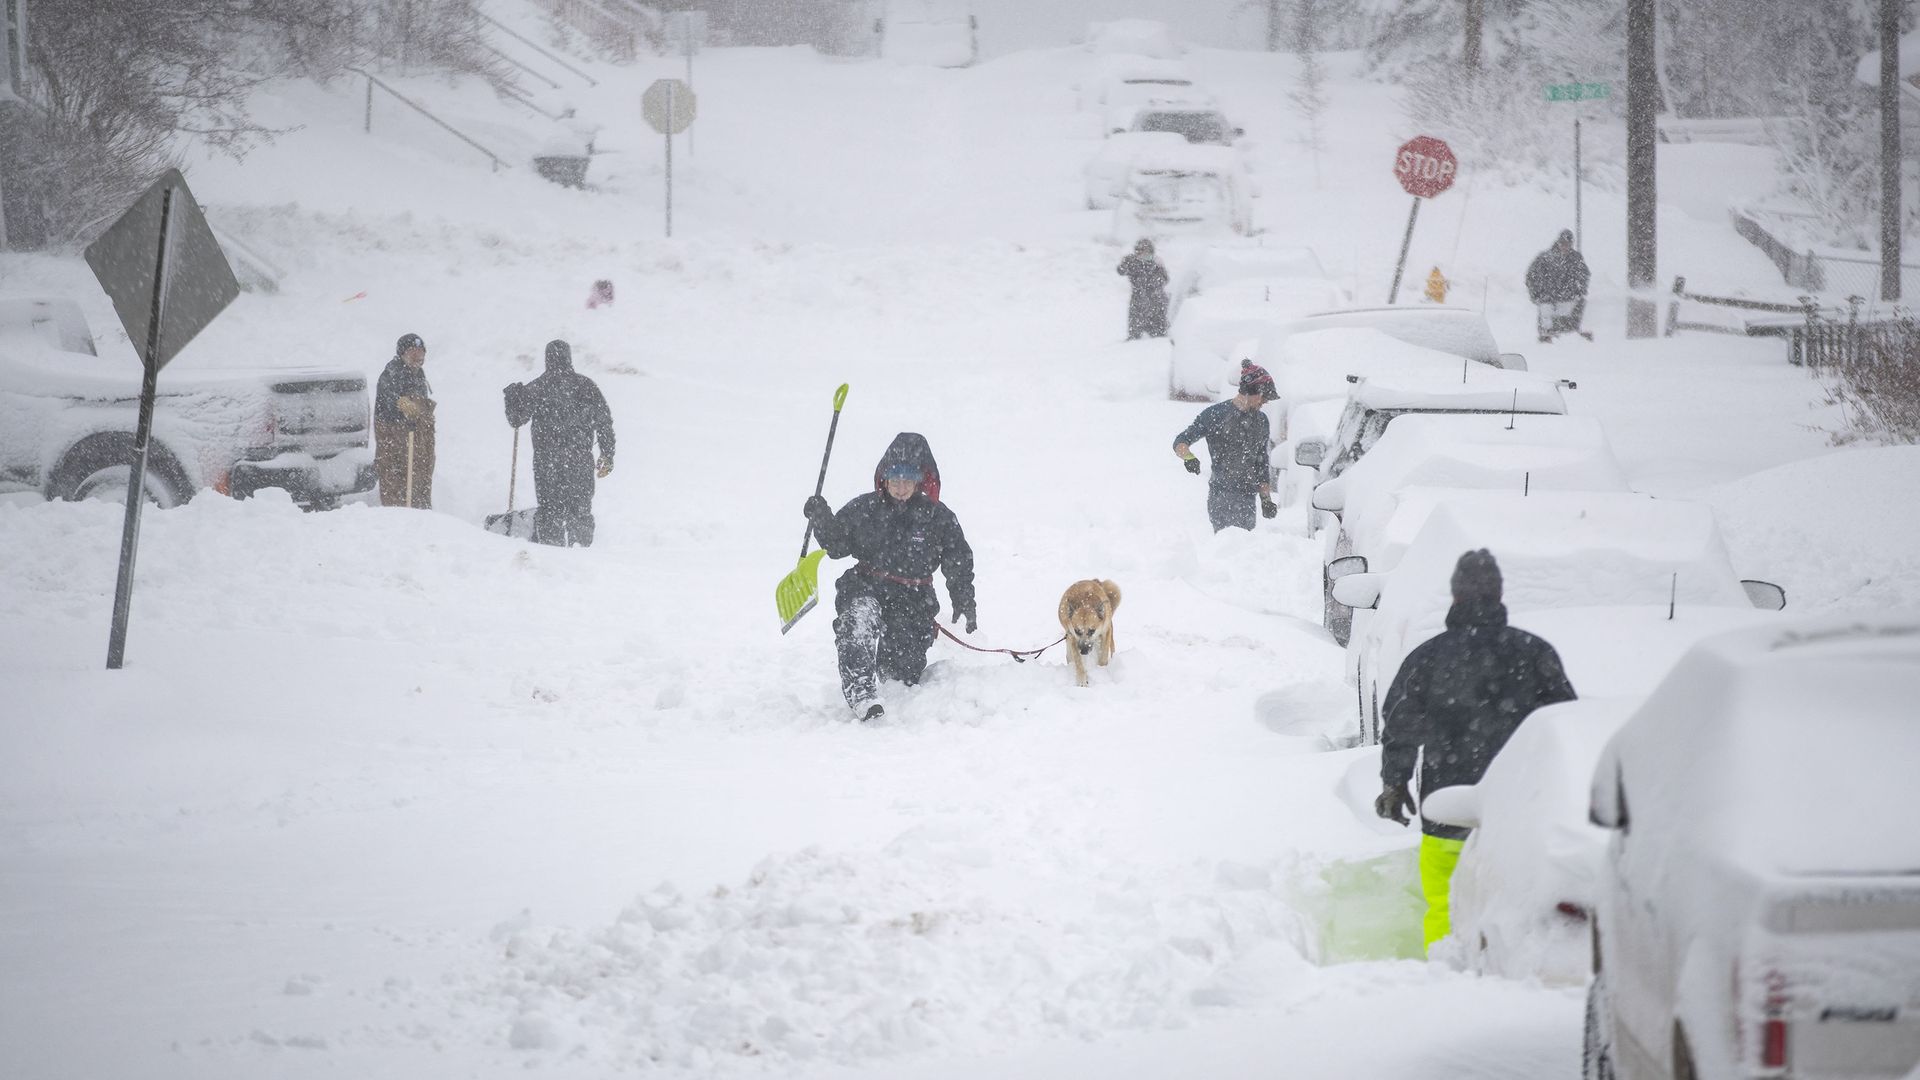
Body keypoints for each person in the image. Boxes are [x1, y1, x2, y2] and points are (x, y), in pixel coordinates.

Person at [1374, 549, 1578, 952]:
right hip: (1518, 819)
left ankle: (1445, 980)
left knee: (1444, 909)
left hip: (1446, 812)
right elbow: (1566, 727)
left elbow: (1400, 724)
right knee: (1516, 916)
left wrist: (1395, 783)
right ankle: (1511, 987)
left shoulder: (1428, 659)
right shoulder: (1534, 654)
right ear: (1500, 596)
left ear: (1455, 598)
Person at [802, 433, 976, 721]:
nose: (900, 487)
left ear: (921, 480)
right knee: (859, 619)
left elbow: (958, 560)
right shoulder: (866, 508)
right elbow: (836, 546)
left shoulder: (938, 517)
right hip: (867, 586)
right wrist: (821, 517)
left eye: (908, 480)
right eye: (894, 479)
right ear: (883, 478)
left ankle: (884, 674)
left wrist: (964, 598)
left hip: (913, 600)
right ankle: (862, 692)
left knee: (902, 676)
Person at [503, 340, 615, 548]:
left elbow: (516, 419)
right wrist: (607, 454)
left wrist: (512, 398)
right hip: (579, 461)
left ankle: (551, 552)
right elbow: (604, 422)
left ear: (547, 359)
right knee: (580, 510)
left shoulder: (538, 386)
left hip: (548, 462)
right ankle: (581, 549)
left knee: (550, 510)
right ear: (569, 358)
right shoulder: (586, 386)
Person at [1172, 360, 1278, 532]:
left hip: (1247, 499)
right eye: (1263, 397)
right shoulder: (1215, 415)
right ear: (1252, 392)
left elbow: (1261, 462)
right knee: (1226, 549)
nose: (1264, 402)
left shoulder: (1261, 421)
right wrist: (1188, 458)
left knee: (1245, 550)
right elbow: (1181, 440)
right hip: (1221, 497)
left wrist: (1265, 499)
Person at [374, 332, 435, 509]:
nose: (418, 357)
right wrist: (401, 404)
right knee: (395, 473)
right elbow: (389, 397)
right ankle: (397, 513)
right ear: (402, 353)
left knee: (419, 472)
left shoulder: (418, 374)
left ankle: (420, 510)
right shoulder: (393, 371)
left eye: (421, 352)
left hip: (415, 434)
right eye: (413, 352)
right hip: (393, 434)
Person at [1525, 229, 1592, 343]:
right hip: (1546, 297)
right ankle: (1547, 336)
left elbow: (1583, 276)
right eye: (1562, 243)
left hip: (1568, 297)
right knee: (1546, 312)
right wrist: (1537, 293)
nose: (1565, 247)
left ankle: (1566, 335)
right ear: (1558, 243)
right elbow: (1531, 276)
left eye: (1568, 244)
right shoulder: (1544, 258)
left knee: (1566, 314)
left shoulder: (1576, 259)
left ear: (1571, 244)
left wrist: (1576, 291)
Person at [1116, 238, 1170, 340]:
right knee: (1134, 336)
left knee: (1159, 337)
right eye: (1140, 252)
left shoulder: (1156, 264)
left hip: (1156, 304)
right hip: (1138, 303)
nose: (1143, 255)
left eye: (1147, 253)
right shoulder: (1133, 263)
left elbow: (1165, 279)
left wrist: (1155, 281)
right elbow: (1121, 270)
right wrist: (1125, 263)